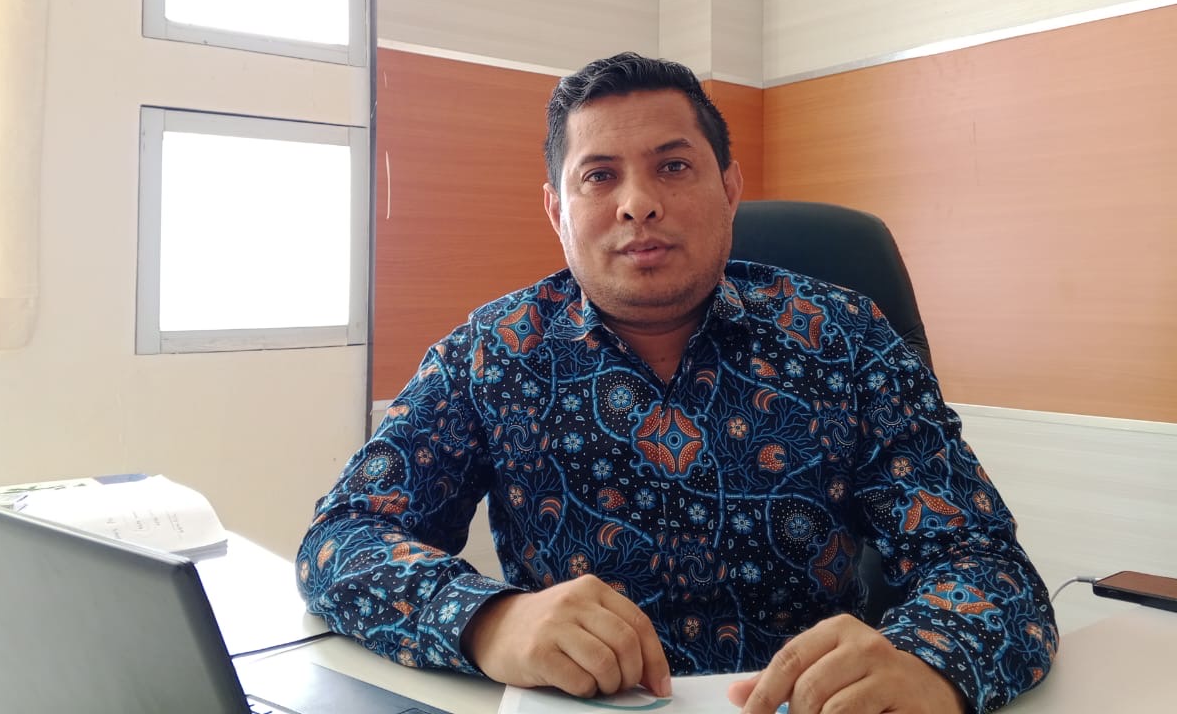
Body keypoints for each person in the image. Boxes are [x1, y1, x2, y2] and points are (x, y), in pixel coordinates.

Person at [297, 52, 1057, 714]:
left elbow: (983, 560)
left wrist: (931, 665)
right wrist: (489, 621)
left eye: (673, 166)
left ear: (729, 187)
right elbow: (341, 540)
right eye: (599, 176)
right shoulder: (491, 354)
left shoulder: (845, 337)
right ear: (557, 210)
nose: (638, 202)